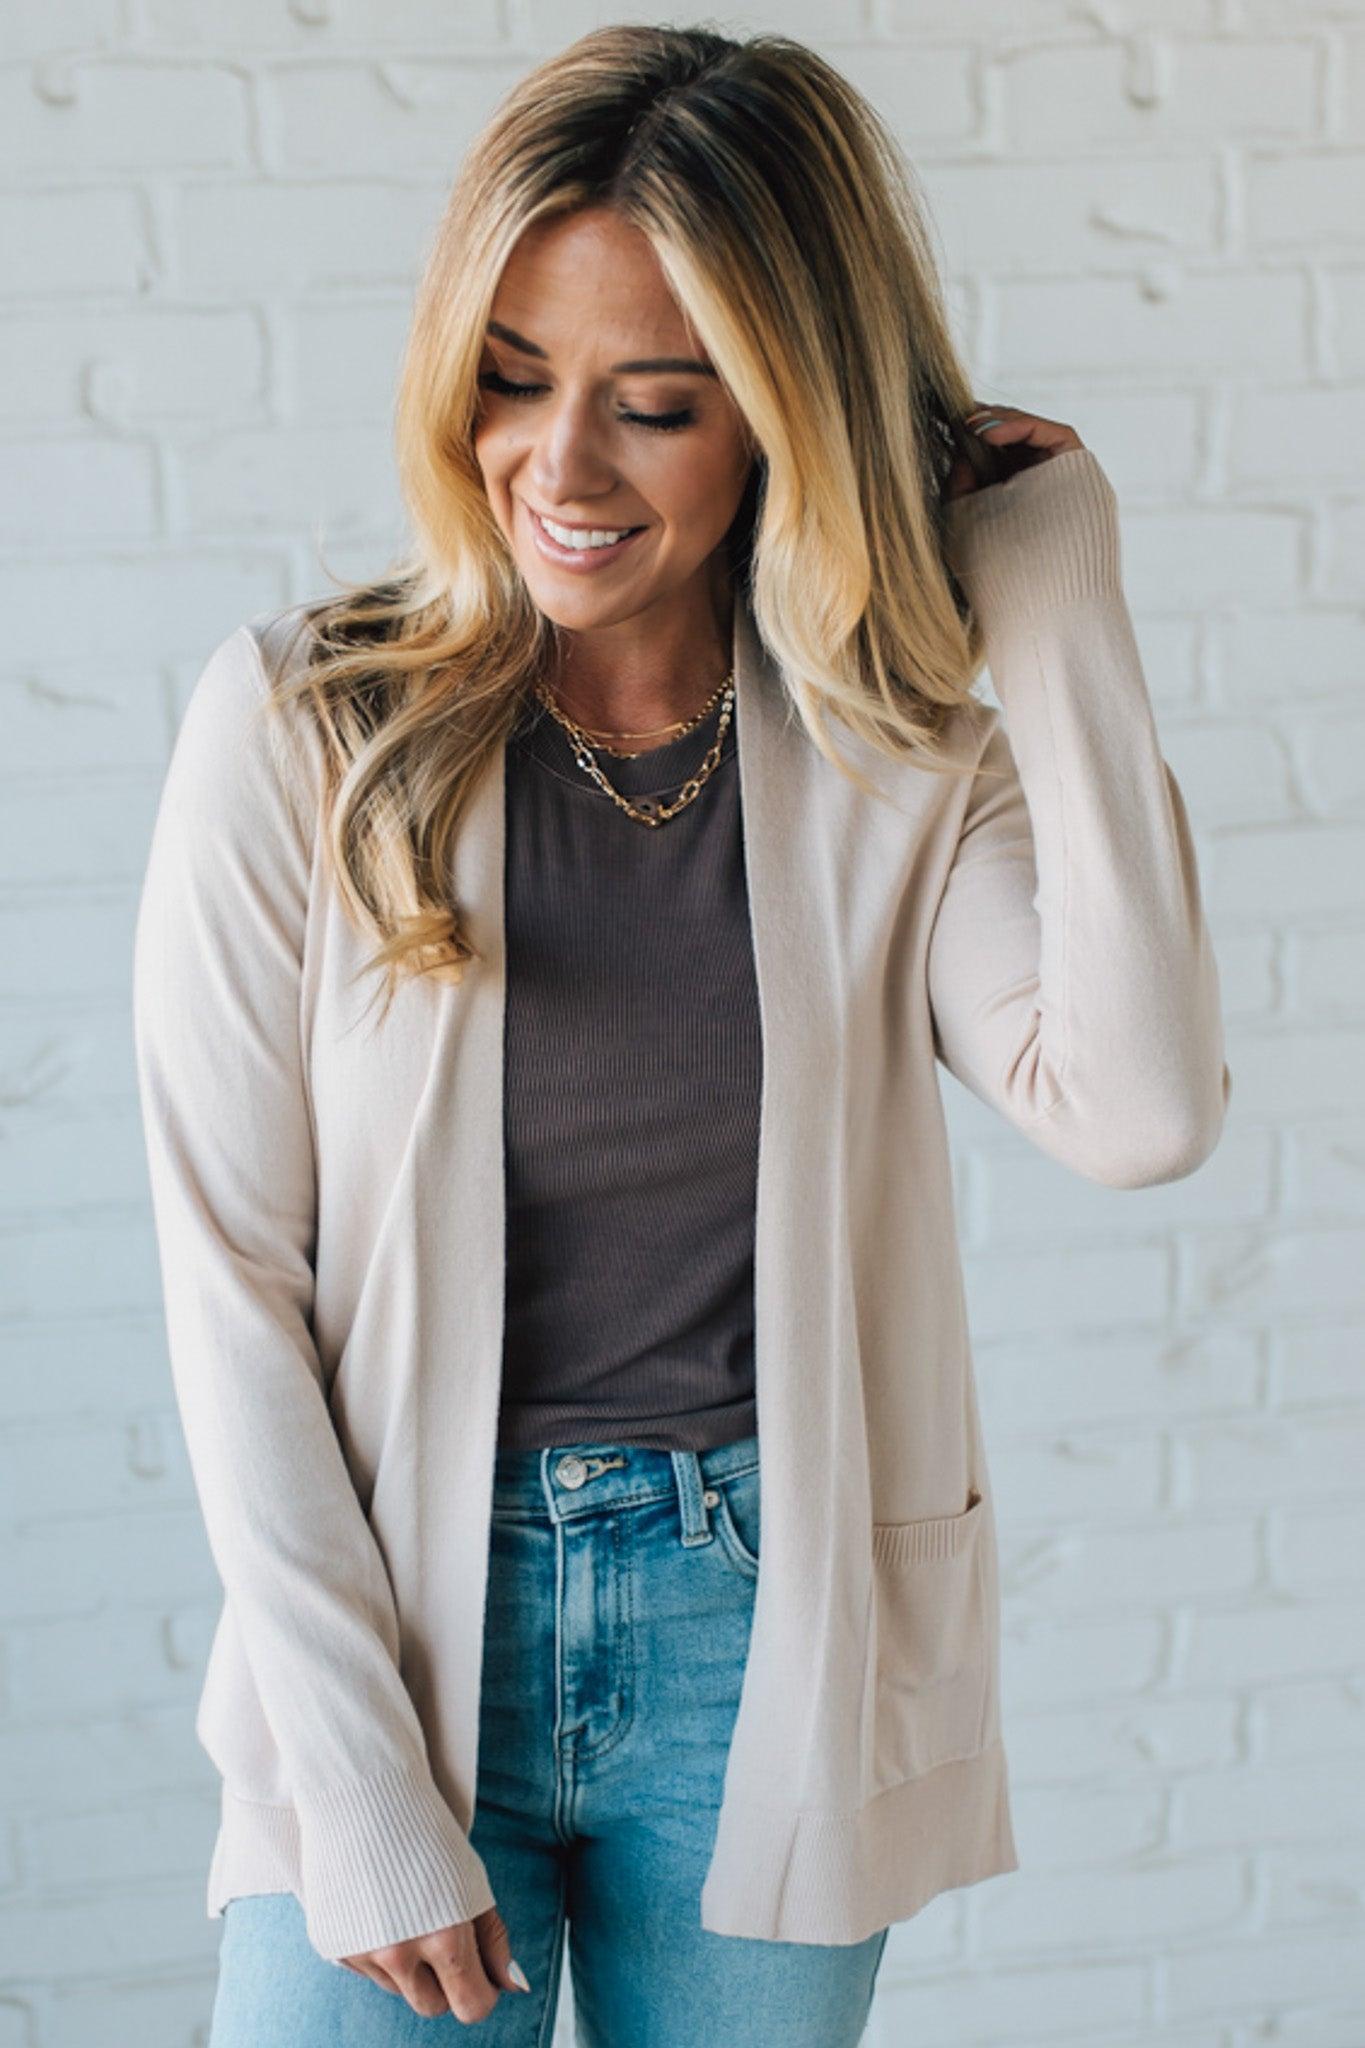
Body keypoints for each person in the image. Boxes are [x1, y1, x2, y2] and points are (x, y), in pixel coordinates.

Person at [131, 23, 1231, 2047]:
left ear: (788, 414)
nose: (559, 468)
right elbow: (230, 1285)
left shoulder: (899, 766)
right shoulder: (302, 726)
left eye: (652, 405)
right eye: (509, 378)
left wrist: (1057, 596)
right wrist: (356, 1788)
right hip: (394, 1634)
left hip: (766, 1633)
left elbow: (1138, 1109)